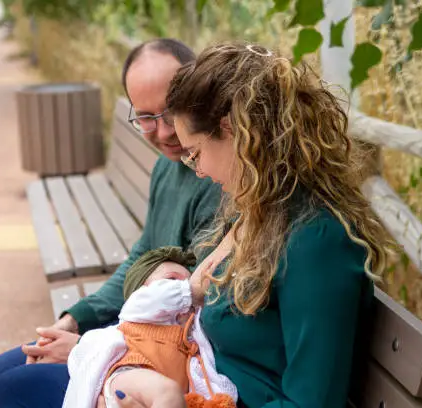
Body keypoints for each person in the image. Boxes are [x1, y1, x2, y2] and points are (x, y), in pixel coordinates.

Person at [114, 42, 392, 408]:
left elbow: (313, 403)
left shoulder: (317, 240)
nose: (198, 171)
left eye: (196, 153)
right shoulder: (259, 212)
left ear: (234, 132)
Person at [0, 39, 223, 408]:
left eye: (171, 110)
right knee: (0, 370)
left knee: (13, 387)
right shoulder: (166, 166)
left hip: (166, 359)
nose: (162, 133)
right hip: (139, 334)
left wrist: (84, 350)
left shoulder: (216, 176)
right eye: (146, 117)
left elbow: (196, 315)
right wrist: (75, 319)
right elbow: (143, 253)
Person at [62, 246, 237, 408]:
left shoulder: (193, 333)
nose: (183, 284)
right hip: (130, 373)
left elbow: (204, 377)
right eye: (172, 280)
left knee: (173, 396)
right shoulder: (140, 306)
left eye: (188, 280)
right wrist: (191, 289)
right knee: (168, 393)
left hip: (158, 396)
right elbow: (158, 296)